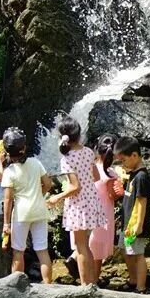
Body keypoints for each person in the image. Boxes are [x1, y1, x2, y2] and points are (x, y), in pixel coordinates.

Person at [46, 117, 102, 286]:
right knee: (85, 245)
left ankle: (86, 285)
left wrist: (57, 197)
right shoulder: (88, 152)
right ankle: (92, 282)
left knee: (80, 247)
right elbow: (96, 176)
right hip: (92, 200)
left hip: (79, 205)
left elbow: (75, 187)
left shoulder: (67, 159)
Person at [0, 127, 53, 284]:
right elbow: (48, 184)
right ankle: (48, 285)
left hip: (21, 213)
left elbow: (8, 200)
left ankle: (17, 286)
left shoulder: (10, 171)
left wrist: (6, 223)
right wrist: (38, 194)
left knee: (18, 251)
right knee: (42, 250)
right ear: (24, 148)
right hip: (39, 210)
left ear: (7, 152)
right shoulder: (36, 162)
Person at [114, 136, 150, 293]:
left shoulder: (141, 176)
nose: (123, 164)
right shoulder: (132, 174)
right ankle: (133, 279)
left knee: (138, 254)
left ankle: (141, 287)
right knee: (124, 249)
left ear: (134, 156)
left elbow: (142, 201)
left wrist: (138, 225)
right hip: (127, 222)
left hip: (135, 223)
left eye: (124, 160)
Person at [88, 134, 120, 269]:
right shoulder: (111, 174)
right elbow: (113, 196)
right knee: (98, 253)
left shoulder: (90, 167)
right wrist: (121, 190)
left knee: (87, 246)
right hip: (103, 215)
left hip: (88, 211)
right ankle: (94, 282)